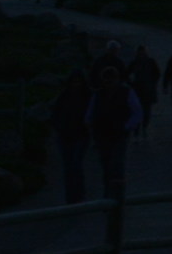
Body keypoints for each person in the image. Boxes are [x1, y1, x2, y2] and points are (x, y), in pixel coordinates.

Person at [89, 66, 140, 198]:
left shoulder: (126, 92)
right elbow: (90, 113)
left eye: (111, 80)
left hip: (119, 135)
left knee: (117, 164)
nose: (109, 83)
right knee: (106, 166)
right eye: (106, 81)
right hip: (102, 135)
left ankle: (117, 196)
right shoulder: (98, 94)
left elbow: (137, 112)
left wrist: (126, 127)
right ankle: (108, 194)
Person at [51, 72, 93, 203]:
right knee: (68, 167)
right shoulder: (63, 97)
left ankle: (78, 193)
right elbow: (55, 113)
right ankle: (70, 195)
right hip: (65, 135)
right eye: (73, 82)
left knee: (76, 165)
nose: (75, 85)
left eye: (78, 82)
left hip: (81, 135)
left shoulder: (87, 97)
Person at [126, 45, 162, 143]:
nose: (141, 54)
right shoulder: (134, 63)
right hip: (137, 91)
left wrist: (151, 83)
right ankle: (137, 131)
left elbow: (157, 74)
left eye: (143, 52)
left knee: (146, 112)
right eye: (140, 52)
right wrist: (131, 83)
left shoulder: (151, 62)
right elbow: (126, 74)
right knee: (137, 111)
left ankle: (144, 128)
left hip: (147, 92)